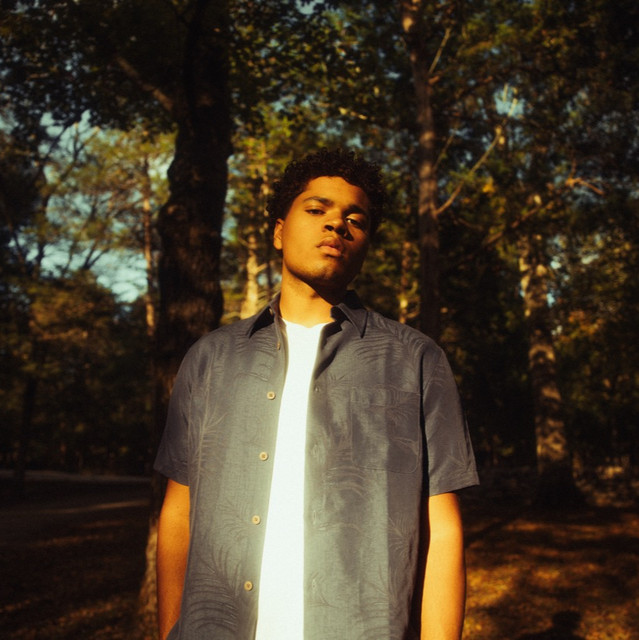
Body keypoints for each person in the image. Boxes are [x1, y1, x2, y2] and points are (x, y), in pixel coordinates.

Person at [154, 148, 479, 640]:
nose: (336, 225)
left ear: (365, 243)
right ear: (279, 230)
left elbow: (443, 529)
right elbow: (178, 513)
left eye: (356, 220)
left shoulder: (416, 361)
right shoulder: (211, 359)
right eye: (316, 209)